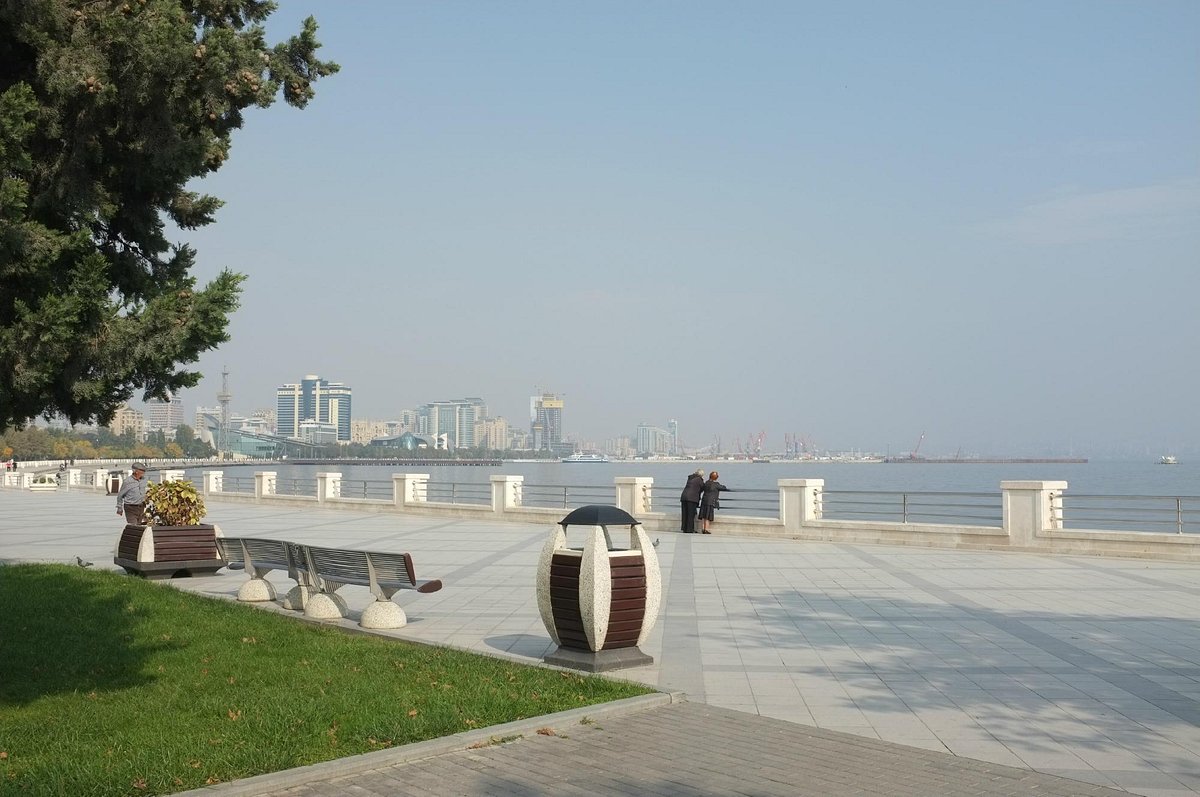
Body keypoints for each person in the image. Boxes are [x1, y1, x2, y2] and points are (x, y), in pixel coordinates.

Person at [680, 468, 706, 533]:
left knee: (685, 513)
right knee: (690, 514)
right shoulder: (699, 479)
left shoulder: (690, 478)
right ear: (701, 475)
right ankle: (689, 529)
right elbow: (703, 487)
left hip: (684, 496)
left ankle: (684, 528)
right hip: (692, 498)